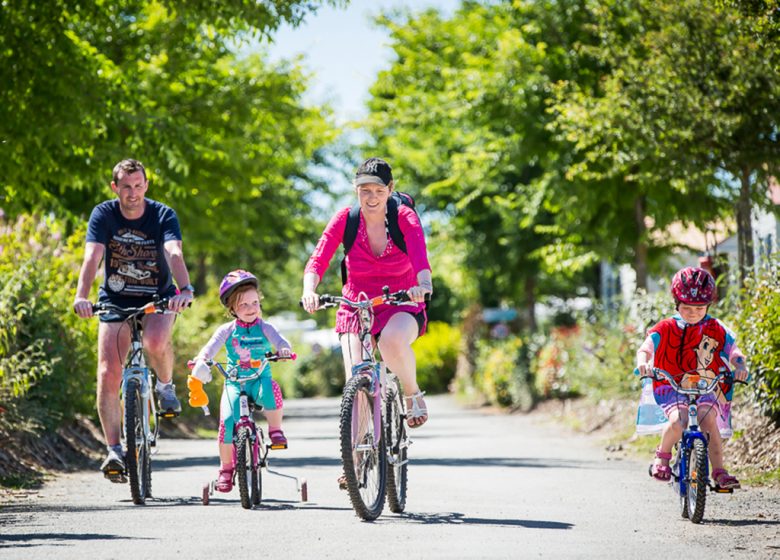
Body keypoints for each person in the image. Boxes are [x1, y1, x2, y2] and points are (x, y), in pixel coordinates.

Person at [73, 158, 194, 481]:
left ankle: (166, 387)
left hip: (158, 297)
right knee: (108, 371)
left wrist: (185, 288)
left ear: (146, 186)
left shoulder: (163, 214)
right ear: (115, 188)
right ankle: (114, 449)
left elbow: (174, 252)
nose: (133, 193)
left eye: (139, 185)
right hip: (115, 299)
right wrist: (81, 296)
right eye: (126, 186)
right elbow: (92, 256)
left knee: (155, 340)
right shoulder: (104, 214)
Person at [300, 157, 433, 429]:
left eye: (379, 191)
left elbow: (421, 258)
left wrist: (424, 286)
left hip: (401, 301)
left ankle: (411, 393)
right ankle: (356, 465)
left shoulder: (403, 218)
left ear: (390, 188)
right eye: (365, 190)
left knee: (391, 342)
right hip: (356, 306)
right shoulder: (345, 219)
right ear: (355, 189)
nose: (371, 197)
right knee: (355, 381)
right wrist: (309, 290)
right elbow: (318, 258)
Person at [635, 266, 749, 489]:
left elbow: (734, 351)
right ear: (677, 304)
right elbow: (646, 347)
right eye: (686, 307)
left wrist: (740, 365)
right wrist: (643, 362)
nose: (693, 313)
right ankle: (662, 457)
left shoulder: (716, 328)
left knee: (709, 423)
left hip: (706, 386)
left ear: (709, 305)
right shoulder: (666, 327)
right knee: (679, 421)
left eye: (699, 308)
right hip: (672, 385)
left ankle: (719, 471)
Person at [188, 270, 292, 493]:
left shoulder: (265, 327)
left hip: (258, 380)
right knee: (226, 424)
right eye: (243, 304)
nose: (251, 308)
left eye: (255, 302)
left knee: (272, 389)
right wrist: (201, 360)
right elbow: (210, 348)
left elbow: (281, 340)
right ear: (232, 309)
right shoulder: (226, 330)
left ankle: (275, 430)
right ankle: (226, 469)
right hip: (234, 383)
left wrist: (283, 349)